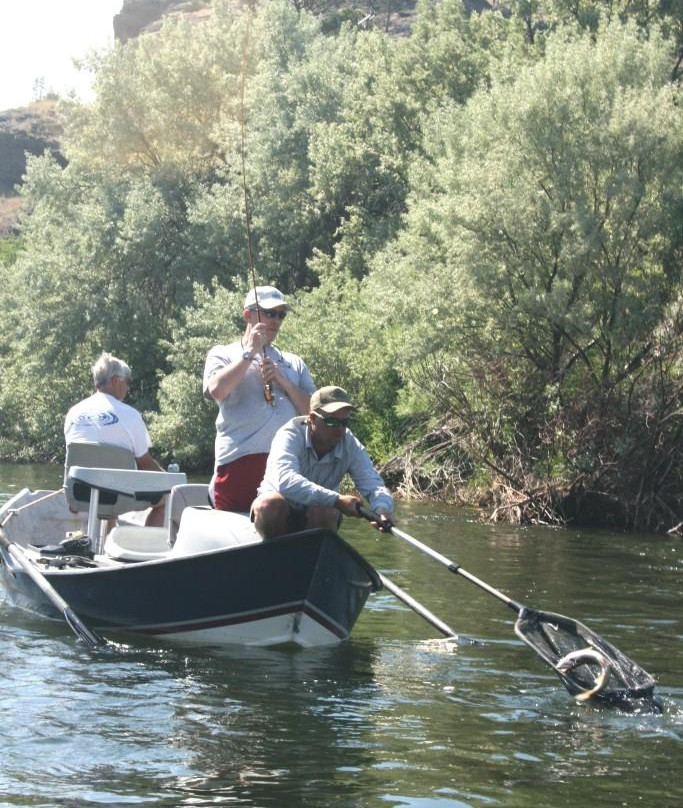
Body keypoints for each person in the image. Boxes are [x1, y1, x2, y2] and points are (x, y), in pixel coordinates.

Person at [203, 285, 316, 512]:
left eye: (281, 315)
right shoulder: (222, 353)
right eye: (269, 313)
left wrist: (284, 382)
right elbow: (216, 390)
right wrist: (250, 353)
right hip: (238, 463)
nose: (276, 321)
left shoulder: (294, 362)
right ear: (248, 314)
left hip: (287, 464)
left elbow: (314, 413)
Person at [251, 385, 393, 539]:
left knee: (326, 511)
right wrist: (337, 500)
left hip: (317, 514)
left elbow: (374, 485)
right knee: (270, 505)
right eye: (332, 422)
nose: (340, 430)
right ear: (312, 418)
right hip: (279, 510)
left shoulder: (350, 444)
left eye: (345, 423)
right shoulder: (289, 435)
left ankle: (314, 556)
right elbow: (286, 482)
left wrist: (383, 508)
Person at [64, 352, 166, 527]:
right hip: (121, 498)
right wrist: (168, 480)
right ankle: (144, 549)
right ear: (116, 381)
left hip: (79, 494)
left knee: (103, 488)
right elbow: (145, 462)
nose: (128, 387)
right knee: (167, 496)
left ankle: (107, 540)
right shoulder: (130, 415)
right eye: (128, 382)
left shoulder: (73, 412)